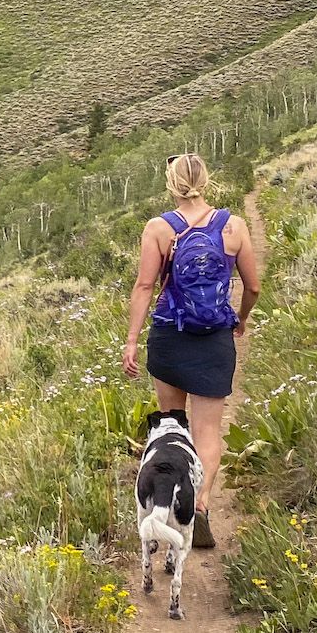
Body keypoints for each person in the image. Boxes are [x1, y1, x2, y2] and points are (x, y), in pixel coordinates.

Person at [121, 153, 260, 549]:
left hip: (170, 336)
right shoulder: (233, 226)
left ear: (171, 182)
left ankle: (166, 502)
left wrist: (132, 340)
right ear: (206, 180)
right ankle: (199, 504)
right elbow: (252, 286)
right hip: (214, 337)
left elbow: (145, 286)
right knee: (208, 433)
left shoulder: (159, 228)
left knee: (173, 424)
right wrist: (241, 319)